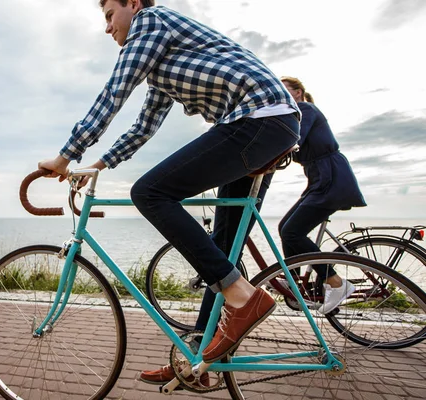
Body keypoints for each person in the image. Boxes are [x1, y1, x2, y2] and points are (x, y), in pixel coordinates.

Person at [38, 0, 300, 387]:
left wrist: (66, 155)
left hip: (257, 119)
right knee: (222, 248)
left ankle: (244, 298)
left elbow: (114, 93)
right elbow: (143, 127)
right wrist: (98, 164)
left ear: (133, 4)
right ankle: (199, 360)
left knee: (150, 193)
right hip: (264, 123)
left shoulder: (151, 21)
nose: (107, 28)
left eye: (110, 15)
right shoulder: (162, 63)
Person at [279, 76, 366, 314]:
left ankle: (336, 283)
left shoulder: (305, 109)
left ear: (298, 93)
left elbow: (294, 140)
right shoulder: (298, 113)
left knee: (292, 231)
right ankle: (292, 279)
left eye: (286, 90)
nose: (282, 94)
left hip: (331, 177)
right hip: (320, 177)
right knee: (285, 227)